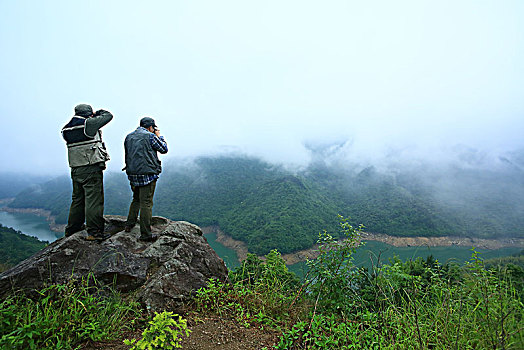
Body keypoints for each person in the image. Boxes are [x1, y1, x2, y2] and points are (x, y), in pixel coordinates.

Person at [61, 104, 113, 241]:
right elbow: (108, 115)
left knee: (78, 200)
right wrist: (97, 113)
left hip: (75, 168)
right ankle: (94, 232)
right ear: (88, 113)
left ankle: (73, 228)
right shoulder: (87, 125)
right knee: (93, 200)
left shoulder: (66, 129)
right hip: (91, 167)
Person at [123, 117, 168, 242]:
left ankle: (129, 224)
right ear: (151, 127)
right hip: (147, 174)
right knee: (146, 203)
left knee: (136, 199)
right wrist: (159, 136)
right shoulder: (151, 136)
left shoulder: (129, 137)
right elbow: (164, 149)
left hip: (132, 173)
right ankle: (146, 234)